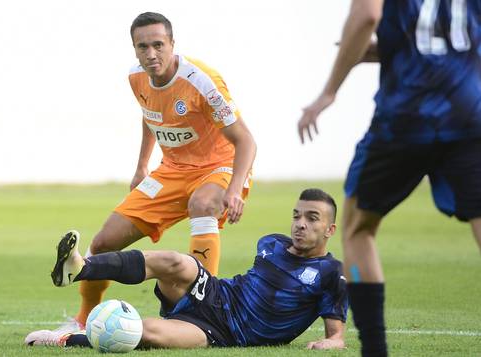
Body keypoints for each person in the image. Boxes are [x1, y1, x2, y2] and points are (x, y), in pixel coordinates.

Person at [26, 11, 257, 344]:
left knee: (203, 203)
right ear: (134, 49)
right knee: (103, 242)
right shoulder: (136, 78)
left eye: (158, 45)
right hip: (172, 170)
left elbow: (246, 140)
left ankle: (207, 306)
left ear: (173, 44)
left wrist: (235, 189)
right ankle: (81, 319)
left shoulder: (202, 81)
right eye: (143, 46)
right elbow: (151, 116)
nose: (151, 54)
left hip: (217, 166)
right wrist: (141, 167)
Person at [297, 1, 481, 356]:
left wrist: (329, 91)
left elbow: (367, 15)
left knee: (357, 228)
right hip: (468, 111)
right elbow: (452, 38)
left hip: (405, 115)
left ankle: (375, 350)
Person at [27, 189, 347, 350]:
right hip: (216, 294)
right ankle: (81, 267)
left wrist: (330, 343)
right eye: (296, 215)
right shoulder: (271, 243)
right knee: (176, 262)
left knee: (145, 331)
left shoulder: (331, 273)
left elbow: (337, 336)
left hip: (224, 333)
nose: (300, 224)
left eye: (311, 218)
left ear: (330, 229)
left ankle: (65, 339)